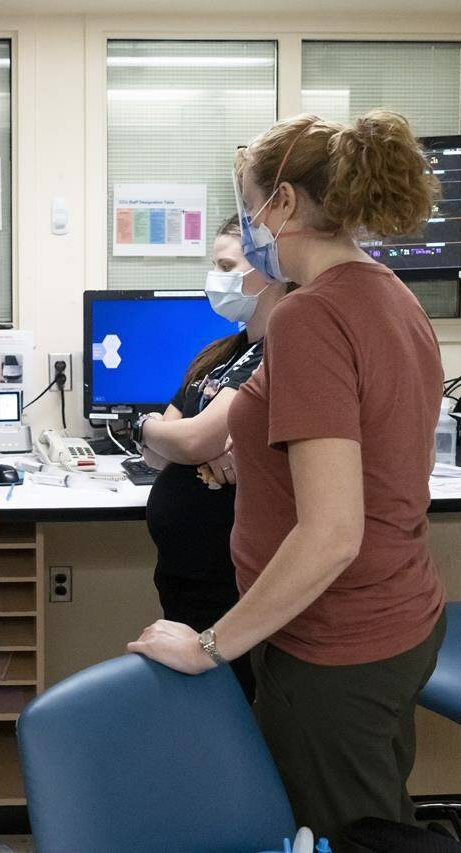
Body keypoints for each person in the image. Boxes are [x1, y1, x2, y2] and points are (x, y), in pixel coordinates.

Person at [129, 110, 447, 847]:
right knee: (376, 824)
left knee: (336, 833)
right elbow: (367, 447)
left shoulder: (309, 317)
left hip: (333, 644)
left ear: (282, 204)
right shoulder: (392, 296)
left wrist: (211, 645)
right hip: (399, 618)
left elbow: (333, 530)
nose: (247, 223)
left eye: (248, 204)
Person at [132, 214, 291, 702]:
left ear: (268, 268)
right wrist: (158, 433)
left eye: (227, 265)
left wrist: (158, 430)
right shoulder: (221, 354)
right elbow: (159, 452)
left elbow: (190, 440)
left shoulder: (279, 351)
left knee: (233, 702)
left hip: (230, 574)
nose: (216, 279)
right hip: (184, 574)